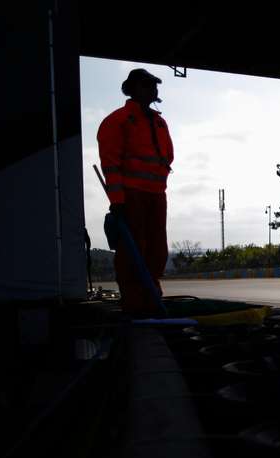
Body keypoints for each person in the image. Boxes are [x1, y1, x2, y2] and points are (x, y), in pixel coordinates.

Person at [97, 68, 174, 316]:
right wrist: (118, 201)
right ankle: (133, 304)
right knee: (133, 252)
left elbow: (167, 157)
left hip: (156, 195)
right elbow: (111, 164)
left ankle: (152, 299)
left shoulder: (159, 122)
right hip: (131, 196)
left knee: (156, 250)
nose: (153, 89)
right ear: (133, 89)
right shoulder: (116, 121)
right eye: (147, 85)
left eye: (154, 85)